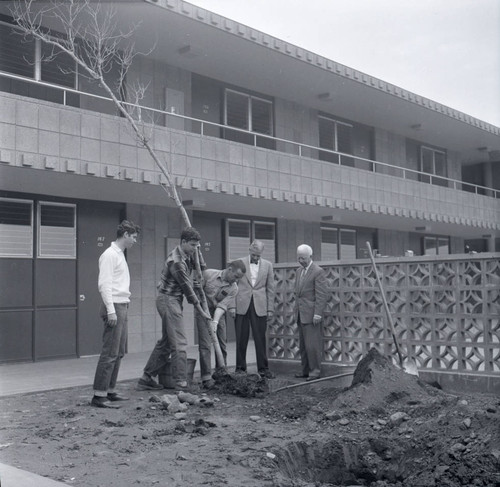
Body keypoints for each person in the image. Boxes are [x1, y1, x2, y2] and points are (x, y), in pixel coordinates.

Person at [138, 227, 211, 391]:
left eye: (197, 246)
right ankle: (181, 382)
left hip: (172, 301)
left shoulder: (187, 255)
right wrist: (202, 310)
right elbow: (187, 288)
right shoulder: (177, 261)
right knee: (179, 342)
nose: (194, 249)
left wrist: (198, 255)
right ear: (183, 242)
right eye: (192, 245)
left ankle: (146, 378)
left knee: (166, 342)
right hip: (168, 301)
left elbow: (201, 267)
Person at [91, 220, 141, 408]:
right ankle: (99, 395)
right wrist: (111, 311)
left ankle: (110, 390)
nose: (135, 241)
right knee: (110, 352)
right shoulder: (110, 255)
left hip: (122, 305)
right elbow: (104, 285)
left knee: (118, 352)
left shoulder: (119, 255)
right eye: (134, 237)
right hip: (114, 307)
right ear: (126, 234)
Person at [195, 260, 246, 389]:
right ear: (230, 269)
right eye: (236, 276)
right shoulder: (208, 274)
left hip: (219, 313)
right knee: (205, 344)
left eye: (239, 278)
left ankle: (221, 374)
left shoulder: (234, 288)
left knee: (222, 343)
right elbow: (196, 293)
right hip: (203, 312)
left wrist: (215, 322)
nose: (236, 280)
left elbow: (222, 307)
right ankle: (206, 378)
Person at [235, 240, 276, 378]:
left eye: (258, 256)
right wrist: (232, 306)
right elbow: (231, 285)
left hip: (260, 305)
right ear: (249, 250)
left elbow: (270, 288)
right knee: (241, 337)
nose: (256, 258)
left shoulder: (268, 265)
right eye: (254, 255)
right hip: (241, 304)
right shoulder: (239, 262)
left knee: (260, 338)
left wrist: (270, 309)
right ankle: (240, 368)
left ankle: (263, 368)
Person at [294, 244, 328, 381]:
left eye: (303, 258)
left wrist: (318, 313)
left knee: (312, 346)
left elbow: (322, 295)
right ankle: (305, 370)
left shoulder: (318, 271)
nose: (300, 261)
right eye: (298, 258)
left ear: (310, 256)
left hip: (312, 315)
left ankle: (315, 372)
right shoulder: (298, 271)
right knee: (303, 346)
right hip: (301, 314)